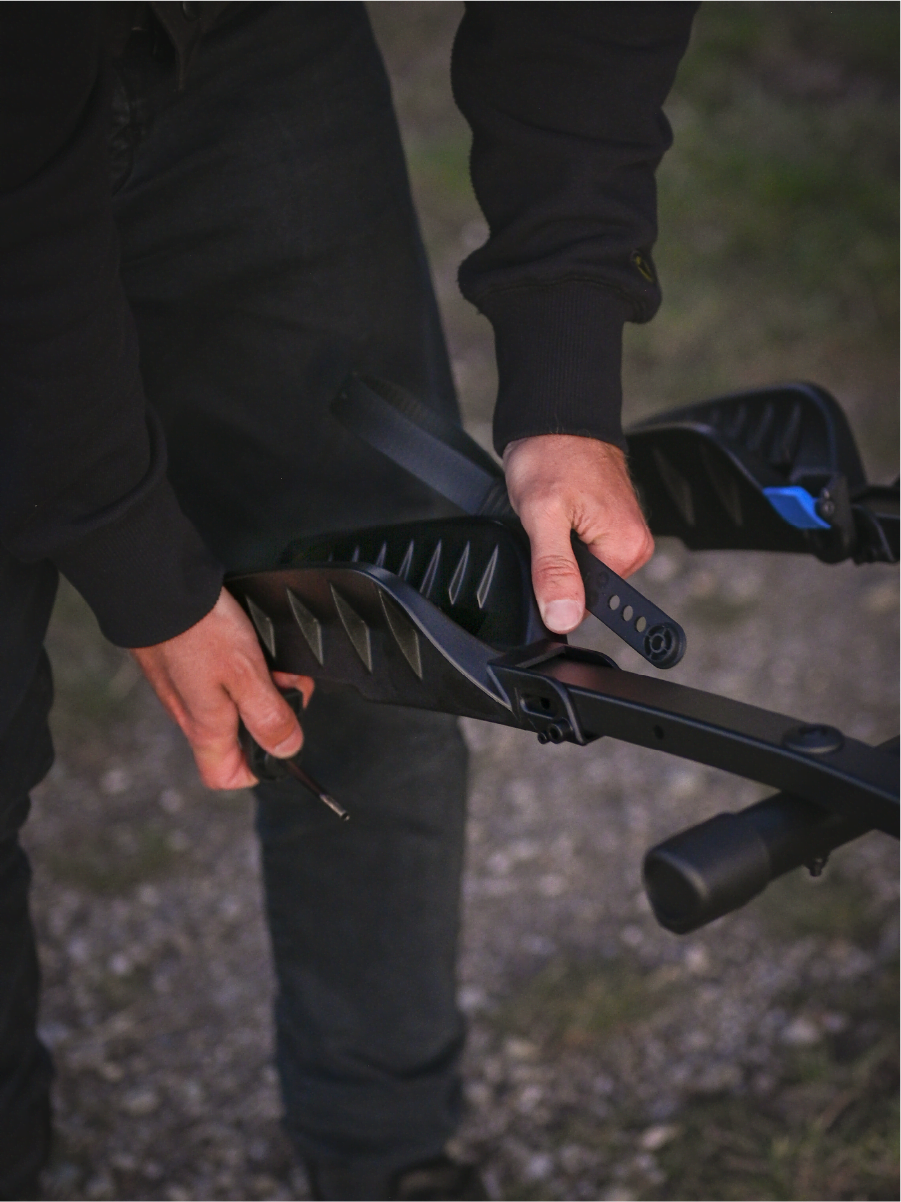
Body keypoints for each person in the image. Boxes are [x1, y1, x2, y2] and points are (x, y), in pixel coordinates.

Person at [0, 0, 698, 1198]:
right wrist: (144, 577)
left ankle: (384, 1158)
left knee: (390, 635)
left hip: (250, 45)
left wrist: (565, 372)